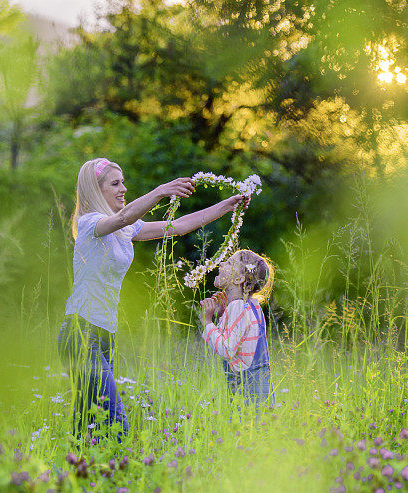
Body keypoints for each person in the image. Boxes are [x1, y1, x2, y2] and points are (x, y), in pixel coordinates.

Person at [57, 157, 248, 442]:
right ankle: (117, 479)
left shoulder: (125, 229)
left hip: (104, 336)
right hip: (79, 333)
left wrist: (226, 206)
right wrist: (161, 191)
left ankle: (72, 479)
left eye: (123, 182)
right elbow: (123, 216)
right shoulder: (89, 224)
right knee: (115, 424)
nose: (123, 189)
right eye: (115, 183)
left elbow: (178, 226)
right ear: (96, 190)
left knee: (88, 424)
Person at [199, 250, 275, 407]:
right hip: (263, 391)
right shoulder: (251, 306)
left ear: (239, 278)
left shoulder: (237, 307)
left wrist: (207, 322)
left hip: (248, 393)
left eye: (228, 263)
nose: (221, 264)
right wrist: (221, 315)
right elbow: (238, 341)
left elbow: (226, 350)